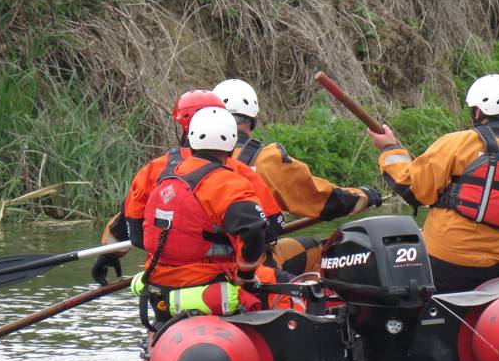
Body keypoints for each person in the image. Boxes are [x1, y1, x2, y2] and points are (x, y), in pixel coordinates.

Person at [366, 73, 499, 293]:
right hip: (498, 271)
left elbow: (413, 190)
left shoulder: (456, 144)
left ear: (478, 111)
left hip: (441, 264)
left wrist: (390, 149)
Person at [91, 89, 285, 286]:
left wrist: (109, 256)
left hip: (159, 280)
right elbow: (269, 229)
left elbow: (128, 224)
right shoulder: (238, 175)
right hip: (220, 278)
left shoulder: (153, 171)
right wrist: (245, 273)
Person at [212, 78, 383, 273]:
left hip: (197, 266)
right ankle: (312, 302)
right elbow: (320, 199)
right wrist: (363, 197)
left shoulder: (187, 162)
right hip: (249, 268)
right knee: (324, 251)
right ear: (253, 119)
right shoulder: (266, 160)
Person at [123, 106, 268, 322]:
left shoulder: (162, 175)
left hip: (158, 292)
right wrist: (245, 276)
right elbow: (255, 231)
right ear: (231, 143)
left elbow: (136, 233)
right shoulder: (229, 183)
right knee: (278, 280)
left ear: (191, 138)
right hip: (207, 290)